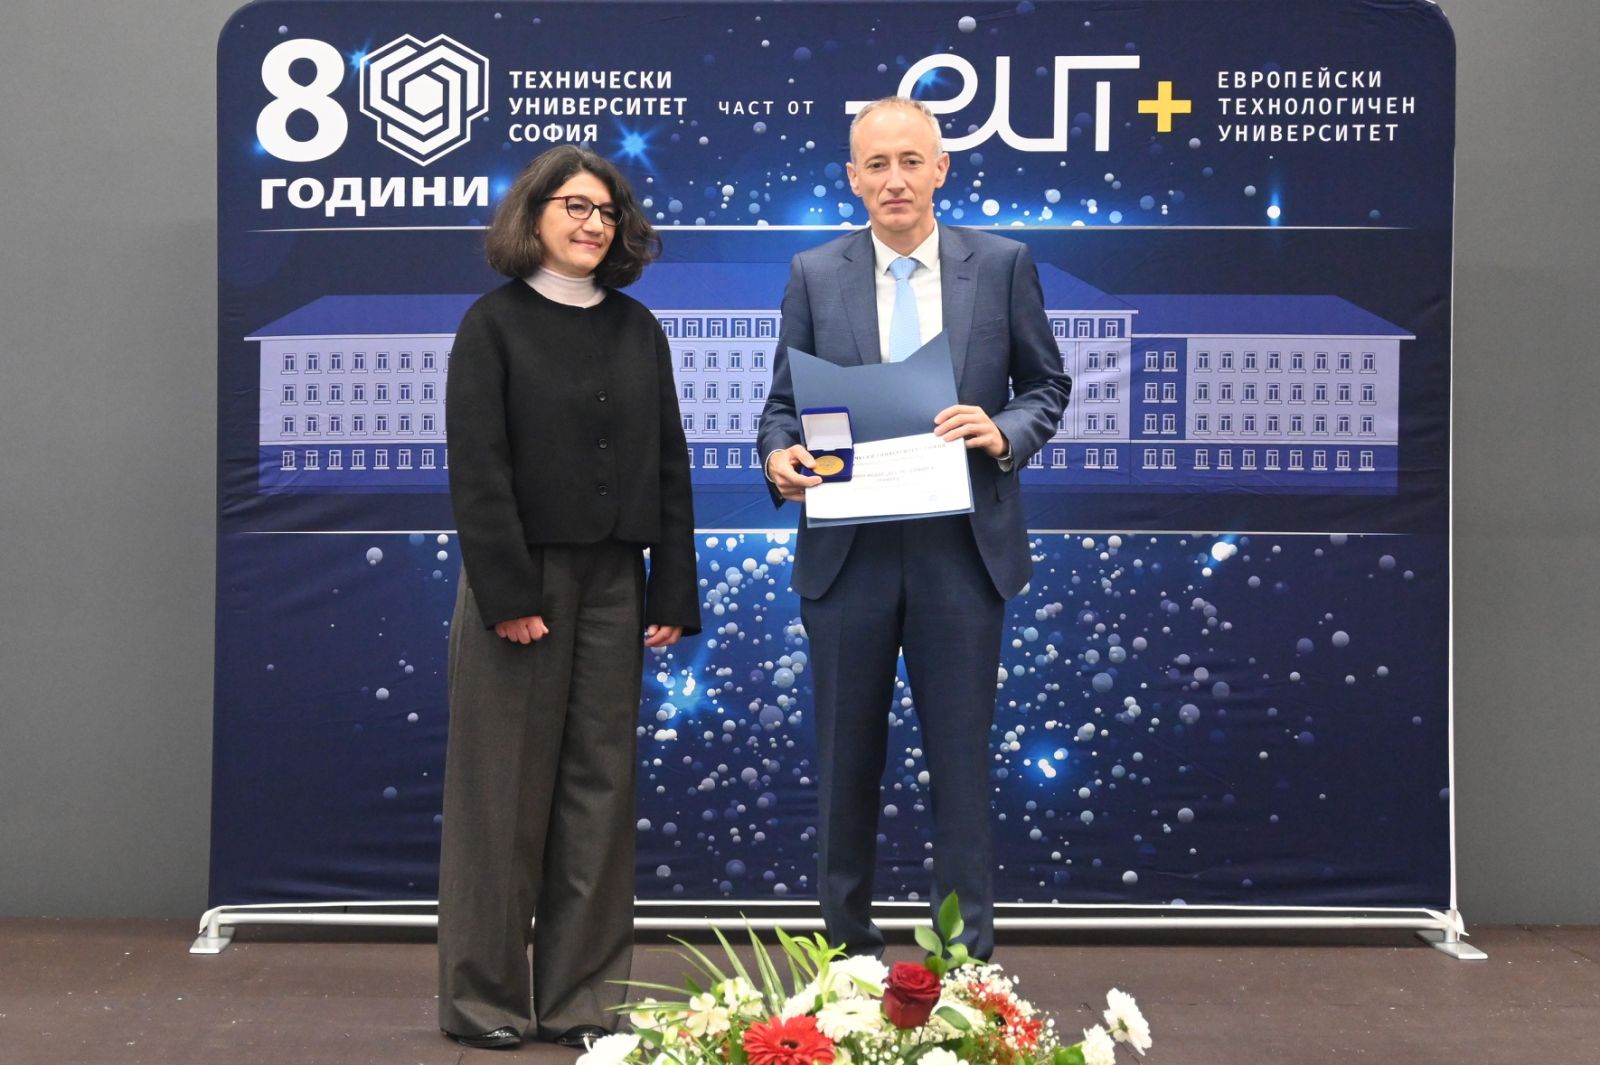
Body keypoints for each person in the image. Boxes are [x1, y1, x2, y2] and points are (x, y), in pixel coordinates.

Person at [757, 98, 1070, 961]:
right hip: (847, 552)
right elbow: (782, 407)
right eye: (876, 164)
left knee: (961, 769)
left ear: (941, 169)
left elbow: (1046, 385)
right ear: (852, 179)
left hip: (960, 552)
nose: (894, 179)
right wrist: (780, 457)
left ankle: (962, 964)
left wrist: (1002, 429)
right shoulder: (813, 273)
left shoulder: (1001, 264)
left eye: (909, 161)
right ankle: (847, 962)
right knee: (843, 769)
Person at [437, 145, 700, 1051]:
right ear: (534, 215)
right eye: (575, 206)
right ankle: (484, 999)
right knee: (501, 797)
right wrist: (508, 590)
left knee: (600, 792)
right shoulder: (493, 324)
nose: (594, 224)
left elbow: (669, 463)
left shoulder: (637, 328)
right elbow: (478, 470)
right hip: (522, 580)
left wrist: (671, 585)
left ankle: (582, 998)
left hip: (616, 582)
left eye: (608, 211)